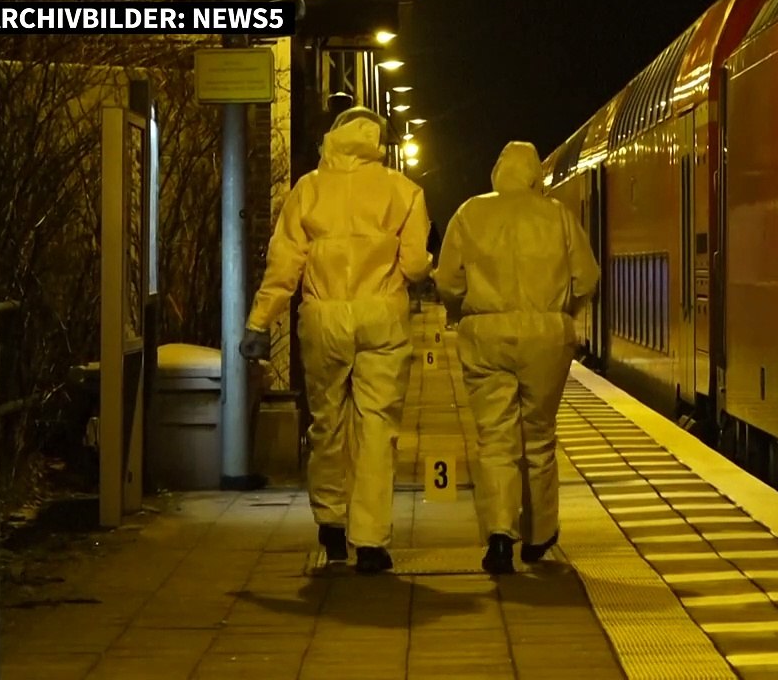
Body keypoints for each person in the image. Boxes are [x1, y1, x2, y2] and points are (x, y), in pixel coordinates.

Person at [239, 107, 432, 574]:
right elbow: (413, 267)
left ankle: (330, 521)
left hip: (323, 318)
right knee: (376, 428)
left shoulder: (308, 189)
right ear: (377, 143)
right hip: (381, 317)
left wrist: (259, 323)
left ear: (332, 139)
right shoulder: (403, 191)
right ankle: (370, 541)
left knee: (327, 423)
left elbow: (284, 266)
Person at [433, 141, 600, 574]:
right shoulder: (558, 215)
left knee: (494, 437)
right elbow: (587, 277)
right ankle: (540, 534)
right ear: (535, 176)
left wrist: (459, 311)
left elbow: (448, 281)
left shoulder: (470, 213)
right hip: (546, 335)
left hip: (484, 334)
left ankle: (500, 535)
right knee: (539, 436)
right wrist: (566, 310)